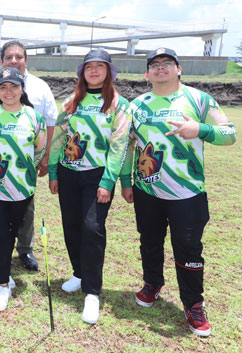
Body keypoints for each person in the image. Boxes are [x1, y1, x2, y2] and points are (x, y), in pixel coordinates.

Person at [120, 48, 237, 337]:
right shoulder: (137, 105)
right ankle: (152, 284)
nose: (161, 68)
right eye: (155, 65)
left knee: (188, 248)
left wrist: (200, 130)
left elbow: (230, 133)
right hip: (147, 190)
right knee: (149, 241)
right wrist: (125, 180)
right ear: (147, 73)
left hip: (188, 193)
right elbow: (127, 146)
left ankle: (194, 303)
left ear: (179, 68)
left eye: (167, 63)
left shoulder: (199, 99)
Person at [48, 49, 131, 324]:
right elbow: (60, 138)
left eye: (100, 66)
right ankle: (78, 272)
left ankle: (92, 292)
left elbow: (119, 147)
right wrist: (53, 171)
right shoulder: (72, 101)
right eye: (89, 67)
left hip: (97, 175)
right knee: (71, 224)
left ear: (109, 71)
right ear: (82, 72)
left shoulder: (119, 104)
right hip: (69, 172)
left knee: (92, 228)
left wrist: (108, 181)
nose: (94, 71)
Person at [0, 40, 58, 271]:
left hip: (24, 169)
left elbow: (50, 122)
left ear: (26, 59)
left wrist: (44, 158)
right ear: (1, 61)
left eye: (18, 56)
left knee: (25, 211)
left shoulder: (41, 87)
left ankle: (24, 248)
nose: (14, 60)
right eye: (9, 57)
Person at [0, 67, 47, 312]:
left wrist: (25, 170)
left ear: (22, 88)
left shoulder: (34, 117)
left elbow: (39, 150)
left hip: (22, 188)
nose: (9, 91)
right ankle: (3, 284)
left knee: (12, 232)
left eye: (14, 86)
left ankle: (3, 267)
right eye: (3, 87)